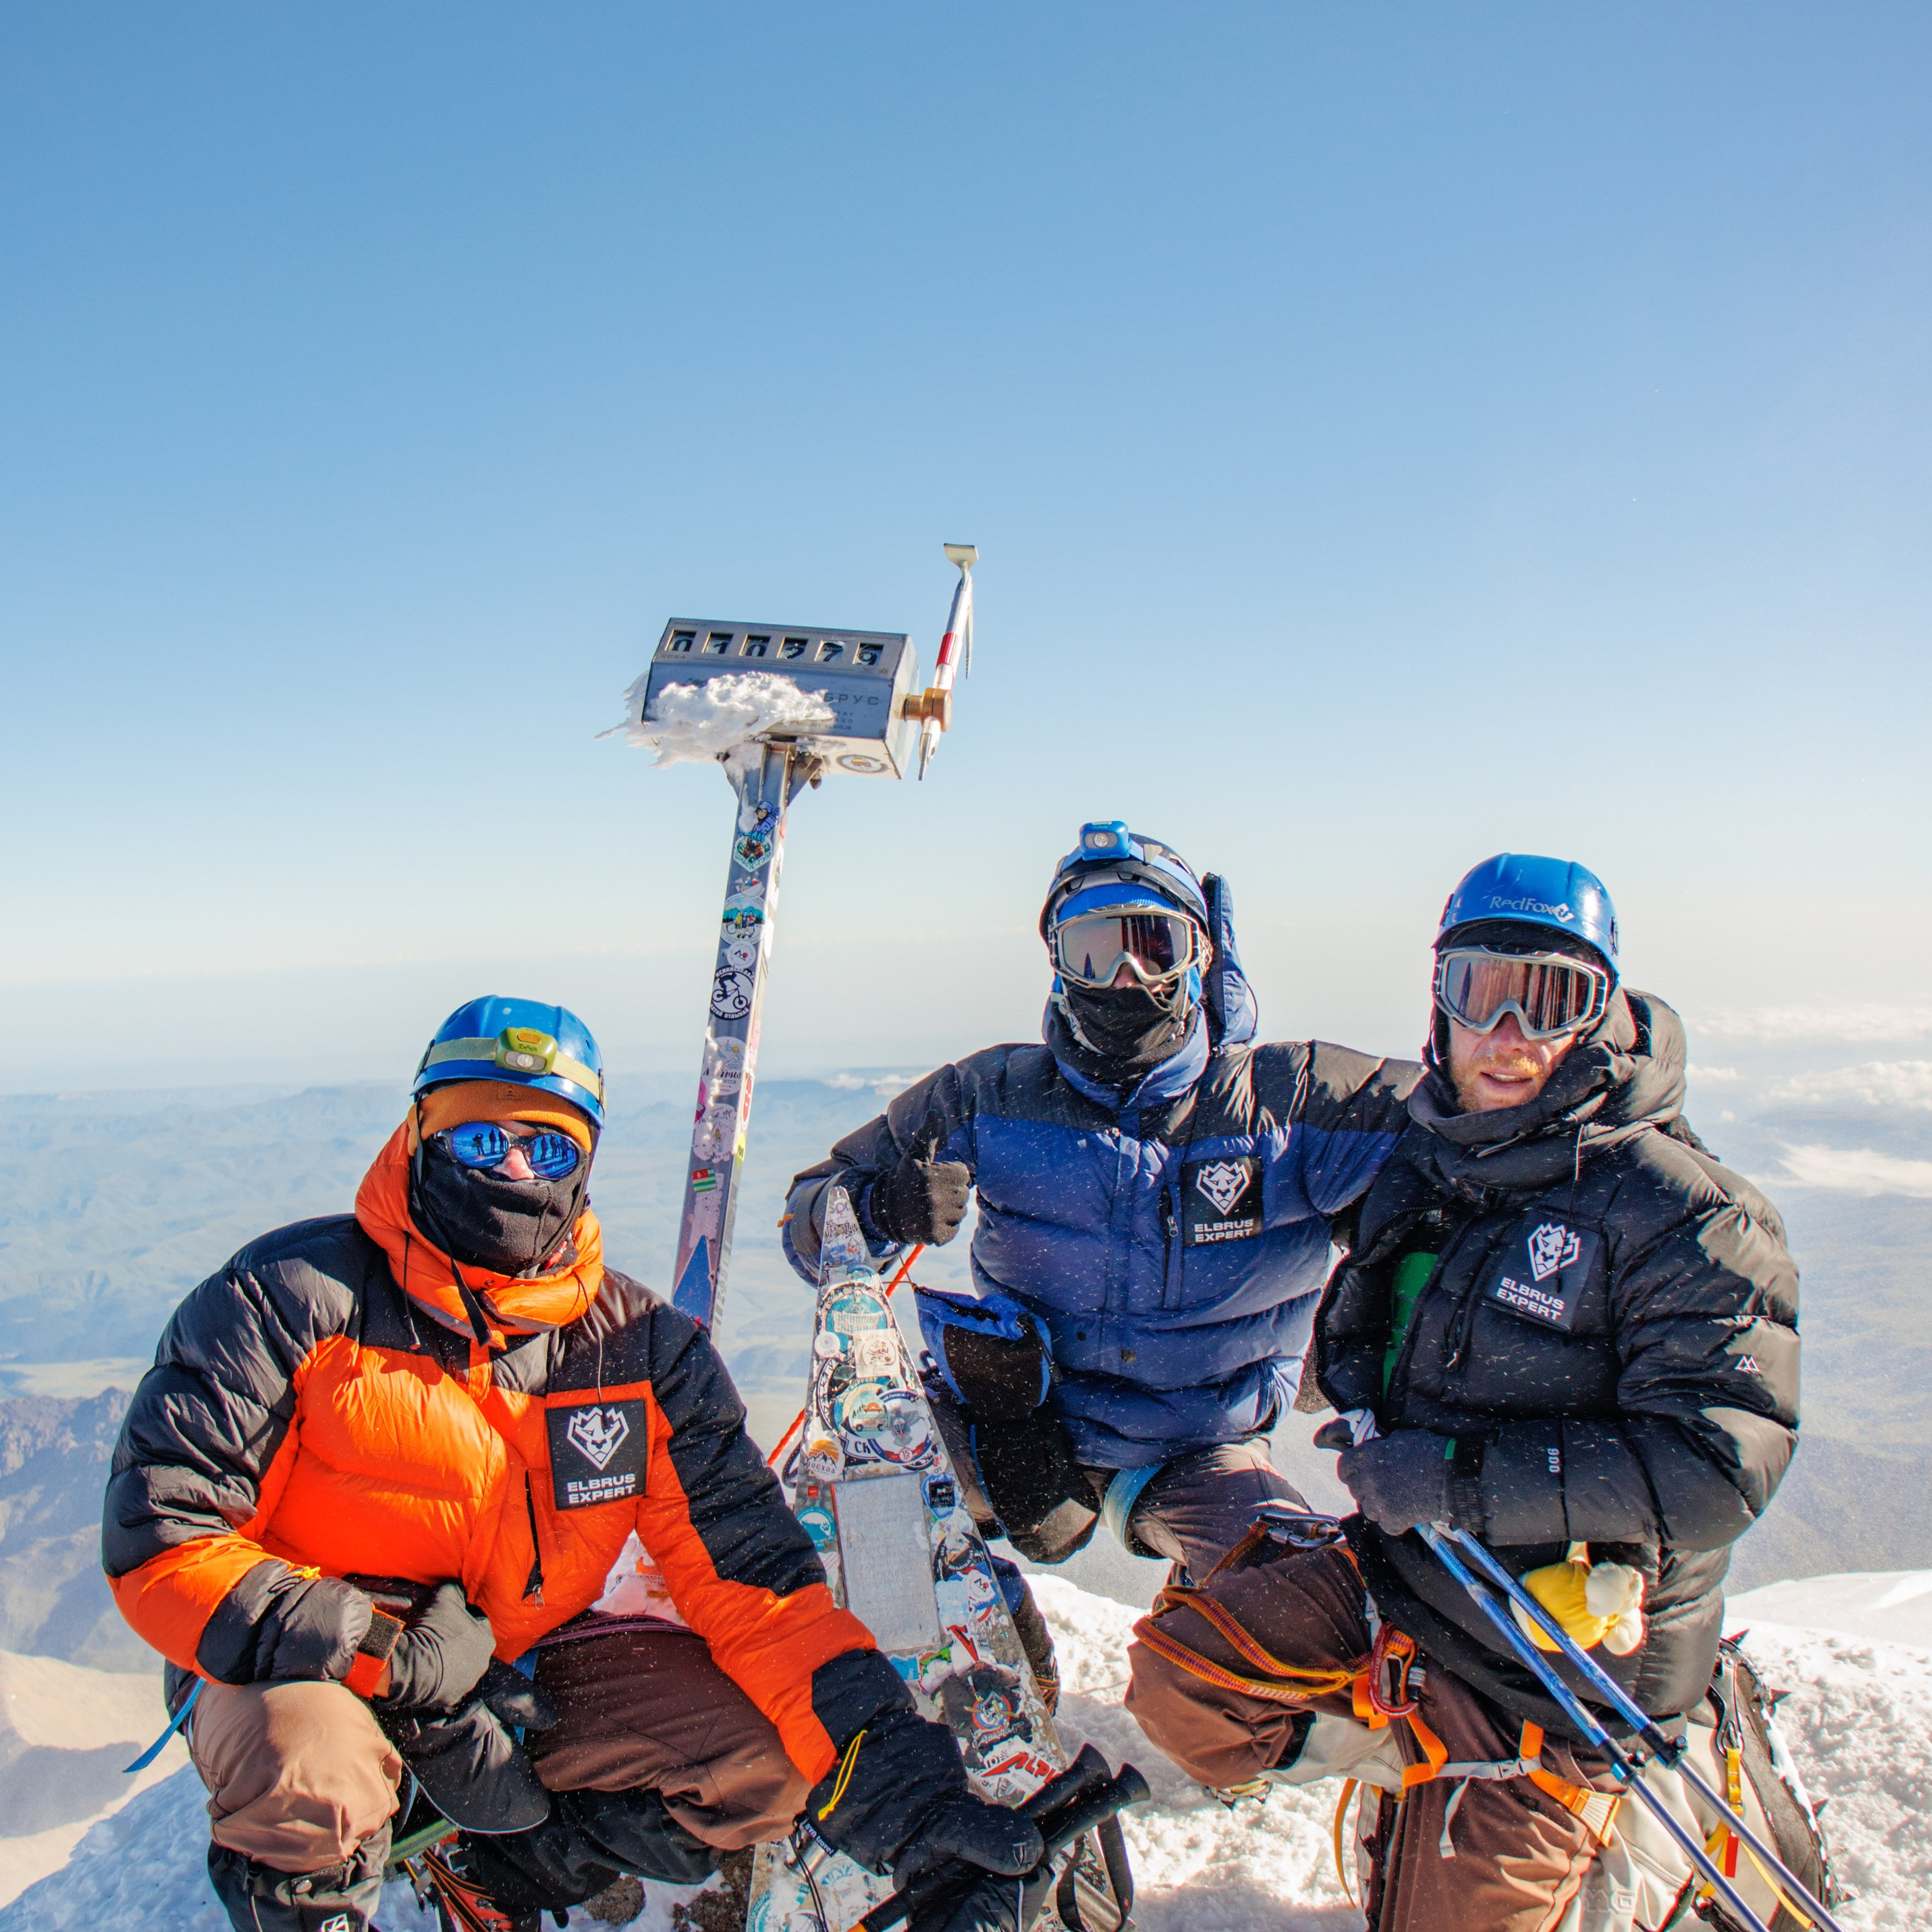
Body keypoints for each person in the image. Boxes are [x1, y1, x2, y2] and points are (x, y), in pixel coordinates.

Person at [103, 997, 1041, 1932]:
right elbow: (163, 1541)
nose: (514, 1170)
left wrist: (908, 1803)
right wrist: (388, 1651)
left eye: (547, 1147)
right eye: (480, 1138)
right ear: (421, 1133)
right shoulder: (286, 1299)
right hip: (294, 1663)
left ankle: (496, 1867)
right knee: (311, 1768)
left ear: (585, 1163)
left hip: (513, 1667)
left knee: (763, 1760)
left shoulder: (638, 1352)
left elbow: (759, 1589)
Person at [1124, 854, 1801, 1930]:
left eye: (1553, 999)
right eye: (1481, 990)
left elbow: (1719, 1467)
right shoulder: (1434, 1155)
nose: (1510, 1034)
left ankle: (1637, 1825)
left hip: (1563, 1661)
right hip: (1414, 1577)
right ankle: (1409, 1756)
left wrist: (1450, 1479)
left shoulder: (1688, 1214)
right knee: (1181, 1684)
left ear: (1601, 1011)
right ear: (1439, 1000)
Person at [782, 822, 1421, 1699]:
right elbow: (812, 1210)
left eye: (1153, 945)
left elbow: (1474, 1129)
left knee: (1314, 1612)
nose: (1125, 978)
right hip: (1018, 1415)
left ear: (1200, 954)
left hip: (1201, 1441)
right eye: (1092, 950)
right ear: (1055, 961)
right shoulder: (992, 1096)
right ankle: (992, 1639)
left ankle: (1201, 1649)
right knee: (854, 1501)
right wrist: (875, 1208)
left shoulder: (1288, 1104)